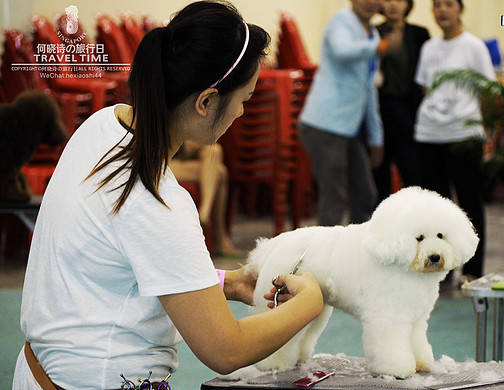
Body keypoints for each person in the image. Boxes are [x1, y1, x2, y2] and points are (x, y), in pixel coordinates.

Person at [12, 2, 324, 389]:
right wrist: (311, 302)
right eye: (244, 100)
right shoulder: (160, 202)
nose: (242, 113)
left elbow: (118, 256)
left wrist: (224, 283)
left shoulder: (101, 126)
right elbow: (225, 349)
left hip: (41, 373)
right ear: (206, 102)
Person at [298, 0, 402, 226]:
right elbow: (341, 50)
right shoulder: (341, 21)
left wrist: (376, 138)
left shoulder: (373, 34)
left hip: (349, 128)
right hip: (324, 124)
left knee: (365, 193)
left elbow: (369, 90)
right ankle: (324, 257)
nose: (371, 2)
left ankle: (358, 251)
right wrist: (381, 48)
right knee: (334, 197)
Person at [414, 0, 495, 279]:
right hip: (428, 134)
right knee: (436, 209)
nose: (442, 10)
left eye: (448, 4)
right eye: (436, 5)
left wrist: (486, 132)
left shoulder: (474, 46)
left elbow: (487, 91)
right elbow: (426, 88)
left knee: (470, 203)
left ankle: (472, 271)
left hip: (464, 135)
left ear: (460, 9)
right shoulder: (429, 48)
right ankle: (442, 270)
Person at [373, 0, 430, 202]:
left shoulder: (419, 34)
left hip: (409, 109)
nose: (392, 5)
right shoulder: (373, 31)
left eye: (398, 0)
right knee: (379, 172)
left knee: (413, 170)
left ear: (407, 5)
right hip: (378, 110)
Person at [169, 140, 244, 258]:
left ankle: (204, 212)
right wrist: (182, 146)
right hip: (157, 165)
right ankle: (220, 239)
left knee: (213, 150)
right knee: (219, 173)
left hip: (178, 157)